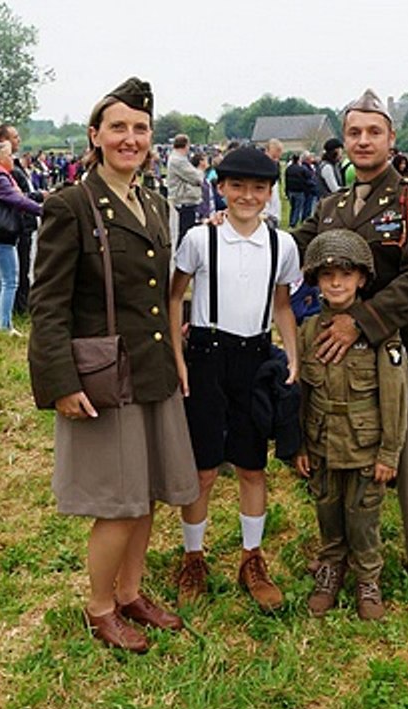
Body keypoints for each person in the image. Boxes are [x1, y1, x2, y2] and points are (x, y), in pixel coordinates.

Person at [28, 78, 198, 654]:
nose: (131, 138)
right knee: (119, 503)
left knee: (147, 493)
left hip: (152, 369)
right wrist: (60, 382)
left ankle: (130, 592)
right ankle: (100, 608)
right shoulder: (70, 204)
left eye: (140, 129)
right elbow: (46, 302)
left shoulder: (153, 201)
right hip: (106, 375)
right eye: (119, 128)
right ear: (95, 136)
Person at [293, 89, 408, 592]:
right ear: (344, 139)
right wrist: (239, 231)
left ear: (391, 138)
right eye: (354, 132)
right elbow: (295, 246)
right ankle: (348, 555)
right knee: (343, 454)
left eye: (373, 132)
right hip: (338, 359)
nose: (363, 141)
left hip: (403, 344)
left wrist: (361, 320)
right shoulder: (332, 204)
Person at [169, 146, 300, 612]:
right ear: (220, 188)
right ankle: (193, 556)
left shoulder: (281, 244)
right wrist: (178, 357)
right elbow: (175, 296)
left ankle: (251, 556)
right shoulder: (200, 239)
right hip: (207, 356)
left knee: (251, 465)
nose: (248, 196)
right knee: (203, 469)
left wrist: (293, 355)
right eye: (238, 186)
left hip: (254, 355)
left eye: (259, 188)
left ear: (270, 192)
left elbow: (282, 303)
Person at [294, 229, 408, 620]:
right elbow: (303, 393)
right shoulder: (308, 331)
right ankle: (330, 567)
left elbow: (394, 397)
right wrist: (301, 445)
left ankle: (367, 577)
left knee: (363, 516)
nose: (337, 283)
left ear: (362, 279)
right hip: (322, 442)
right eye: (327, 276)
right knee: (327, 508)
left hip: (365, 445)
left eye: (346, 274)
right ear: (316, 281)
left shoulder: (379, 334)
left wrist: (389, 451)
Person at [0, 140, 43, 336]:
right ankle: (6, 326)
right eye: (8, 155)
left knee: (4, 281)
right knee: (10, 282)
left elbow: (21, 197)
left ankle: (3, 322)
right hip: (2, 235)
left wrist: (39, 196)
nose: (12, 158)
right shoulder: (0, 178)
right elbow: (17, 200)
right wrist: (42, 210)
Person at [166, 133, 202, 244]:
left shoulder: (179, 158)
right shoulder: (178, 160)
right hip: (184, 199)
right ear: (186, 145)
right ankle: (182, 256)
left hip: (184, 199)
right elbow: (197, 178)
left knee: (186, 231)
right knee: (186, 233)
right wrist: (201, 171)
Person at [262, 139, 283, 226]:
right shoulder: (260, 171)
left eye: (278, 158)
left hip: (274, 215)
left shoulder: (274, 170)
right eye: (274, 157)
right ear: (266, 152)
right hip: (265, 216)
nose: (276, 160)